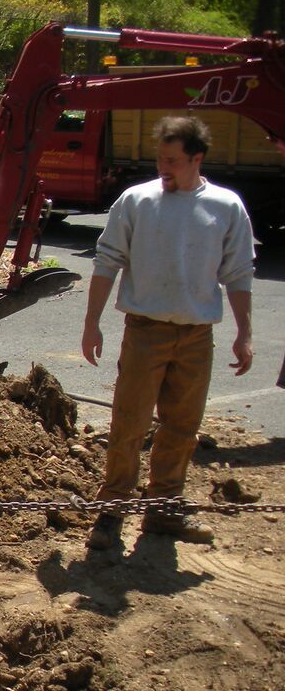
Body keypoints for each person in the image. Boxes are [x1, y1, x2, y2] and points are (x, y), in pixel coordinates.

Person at [82, 115, 255, 551]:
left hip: (197, 335)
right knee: (129, 423)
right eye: (160, 158)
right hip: (145, 331)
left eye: (174, 160)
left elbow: (238, 273)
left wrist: (245, 333)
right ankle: (112, 512)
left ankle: (163, 511)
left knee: (182, 426)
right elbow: (107, 261)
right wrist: (92, 322)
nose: (164, 167)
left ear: (197, 159)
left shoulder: (225, 206)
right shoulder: (137, 201)